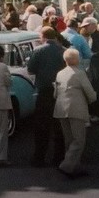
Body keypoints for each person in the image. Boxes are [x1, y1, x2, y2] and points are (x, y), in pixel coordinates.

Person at [54, 48, 97, 178]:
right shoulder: (79, 73)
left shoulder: (60, 73)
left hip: (61, 108)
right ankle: (67, 166)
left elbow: (55, 92)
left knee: (69, 139)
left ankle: (74, 168)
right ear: (77, 59)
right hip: (76, 108)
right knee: (79, 140)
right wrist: (93, 98)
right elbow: (89, 92)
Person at [27, 27, 66, 167]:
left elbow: (30, 69)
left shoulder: (38, 51)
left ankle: (39, 157)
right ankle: (59, 157)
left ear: (42, 36)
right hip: (60, 90)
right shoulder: (63, 50)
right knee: (59, 125)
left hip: (43, 91)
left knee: (42, 126)